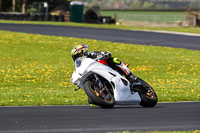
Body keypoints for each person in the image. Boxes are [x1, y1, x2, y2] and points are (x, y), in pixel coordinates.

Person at [71, 44, 137, 87]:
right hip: (93, 72)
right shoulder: (79, 65)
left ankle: (130, 76)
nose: (77, 57)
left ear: (83, 52)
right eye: (75, 56)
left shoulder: (92, 54)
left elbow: (107, 53)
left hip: (106, 68)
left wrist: (105, 55)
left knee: (114, 60)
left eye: (77, 55)